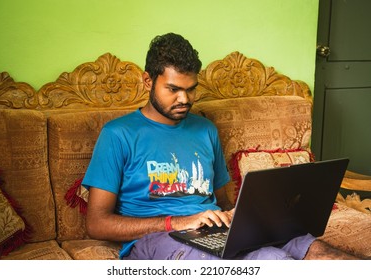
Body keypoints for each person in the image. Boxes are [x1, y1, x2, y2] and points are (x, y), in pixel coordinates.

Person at [82, 32, 359, 260]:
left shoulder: (205, 130)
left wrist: (244, 216)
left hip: (214, 230)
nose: (184, 99)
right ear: (147, 81)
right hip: (158, 239)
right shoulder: (118, 135)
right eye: (173, 89)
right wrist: (177, 222)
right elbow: (96, 223)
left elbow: (223, 200)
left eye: (191, 88)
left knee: (313, 250)